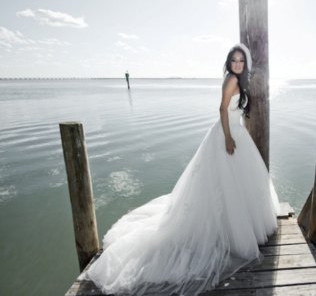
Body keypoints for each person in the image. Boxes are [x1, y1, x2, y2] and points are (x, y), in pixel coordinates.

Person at [80, 44, 280, 295]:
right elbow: (221, 109)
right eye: (234, 60)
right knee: (224, 183)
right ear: (228, 63)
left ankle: (237, 224)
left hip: (235, 133)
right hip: (226, 135)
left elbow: (233, 110)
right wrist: (228, 138)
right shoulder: (230, 80)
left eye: (241, 61)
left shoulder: (239, 80)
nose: (237, 64)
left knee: (233, 184)